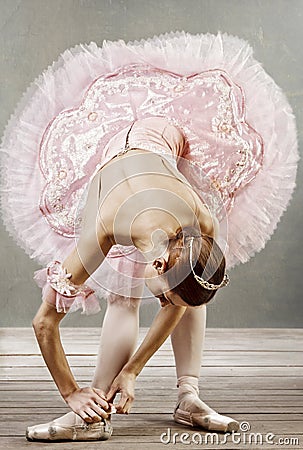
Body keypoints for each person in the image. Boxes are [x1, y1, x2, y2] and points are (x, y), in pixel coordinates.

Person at [0, 32, 298, 442]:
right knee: (124, 298)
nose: (163, 304)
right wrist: (71, 393)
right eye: (163, 297)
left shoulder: (201, 221)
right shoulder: (104, 228)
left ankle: (188, 396)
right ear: (155, 264)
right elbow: (43, 323)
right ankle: (93, 411)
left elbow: (181, 296)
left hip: (169, 136)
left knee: (192, 281)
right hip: (108, 149)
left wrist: (134, 370)